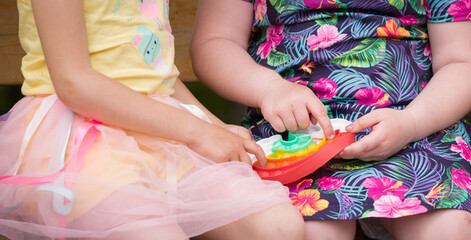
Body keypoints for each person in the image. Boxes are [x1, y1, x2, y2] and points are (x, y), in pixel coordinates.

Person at [0, 0, 305, 239]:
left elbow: (156, 73)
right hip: (79, 142)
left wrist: (216, 126)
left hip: (160, 132)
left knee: (278, 226)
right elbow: (74, 84)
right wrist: (199, 132)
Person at [190, 0, 471, 238]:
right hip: (293, 134)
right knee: (307, 231)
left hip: (417, 126)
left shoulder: (415, 122)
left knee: (453, 228)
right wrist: (268, 89)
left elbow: (460, 60)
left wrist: (412, 122)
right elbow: (216, 40)